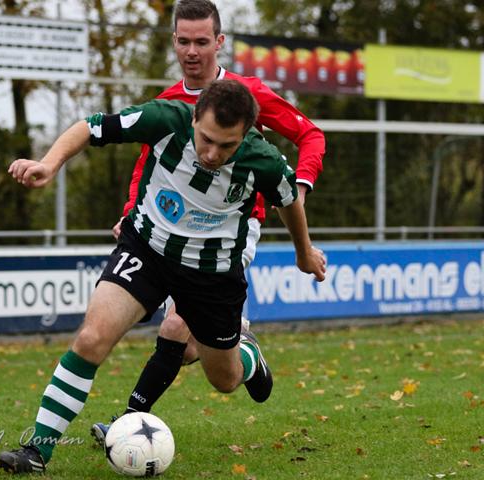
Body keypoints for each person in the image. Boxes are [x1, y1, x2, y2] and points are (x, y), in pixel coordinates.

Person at [0, 79, 327, 474]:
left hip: (212, 274)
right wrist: (49, 163)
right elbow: (91, 127)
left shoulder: (264, 161)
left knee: (224, 379)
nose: (212, 153)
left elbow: (289, 202)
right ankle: (37, 450)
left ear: (245, 135)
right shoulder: (164, 118)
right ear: (195, 117)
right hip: (147, 249)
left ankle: (249, 356)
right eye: (206, 139)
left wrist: (304, 253)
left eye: (227, 146)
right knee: (91, 338)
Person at [91, 0, 326, 439]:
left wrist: (301, 187)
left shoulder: (246, 95)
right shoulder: (167, 104)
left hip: (232, 230)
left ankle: (126, 424)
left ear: (219, 42)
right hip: (172, 231)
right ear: (174, 42)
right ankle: (241, 349)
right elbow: (147, 166)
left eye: (202, 42)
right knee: (183, 347)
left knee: (176, 326)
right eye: (184, 42)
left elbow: (310, 134)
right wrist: (131, 212)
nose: (192, 51)